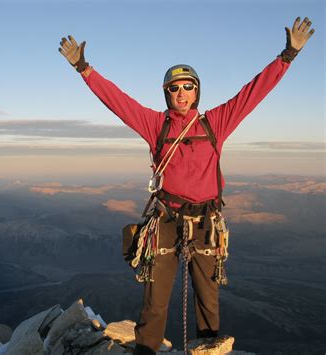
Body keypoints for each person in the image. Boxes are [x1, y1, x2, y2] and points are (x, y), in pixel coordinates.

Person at [58, 17, 314, 355]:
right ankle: (146, 350)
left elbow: (252, 93)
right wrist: (84, 68)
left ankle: (209, 349)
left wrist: (287, 56)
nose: (182, 93)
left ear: (197, 91)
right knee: (155, 299)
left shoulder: (215, 123)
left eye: (188, 86)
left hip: (206, 221)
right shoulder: (155, 125)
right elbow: (118, 101)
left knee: (208, 299)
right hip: (165, 220)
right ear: (166, 93)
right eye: (174, 87)